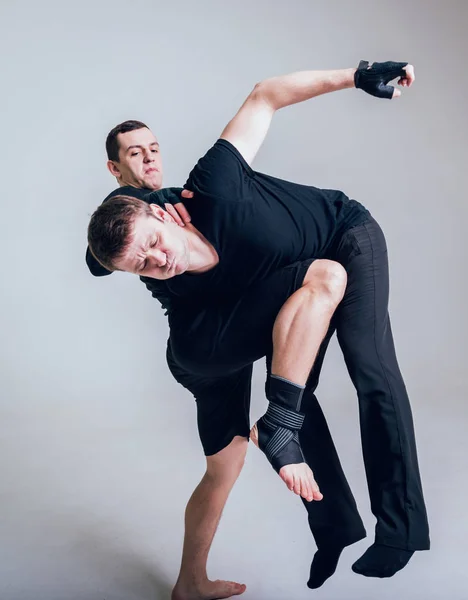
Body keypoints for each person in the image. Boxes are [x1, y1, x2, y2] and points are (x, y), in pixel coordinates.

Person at [87, 60, 430, 598]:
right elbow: (103, 248)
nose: (157, 261)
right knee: (291, 392)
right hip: (291, 280)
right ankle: (334, 528)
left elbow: (265, 95)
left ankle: (400, 529)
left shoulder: (210, 189)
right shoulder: (143, 223)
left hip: (343, 234)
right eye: (142, 264)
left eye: (153, 147)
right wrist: (149, 205)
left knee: (369, 364)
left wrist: (359, 75)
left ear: (155, 220)